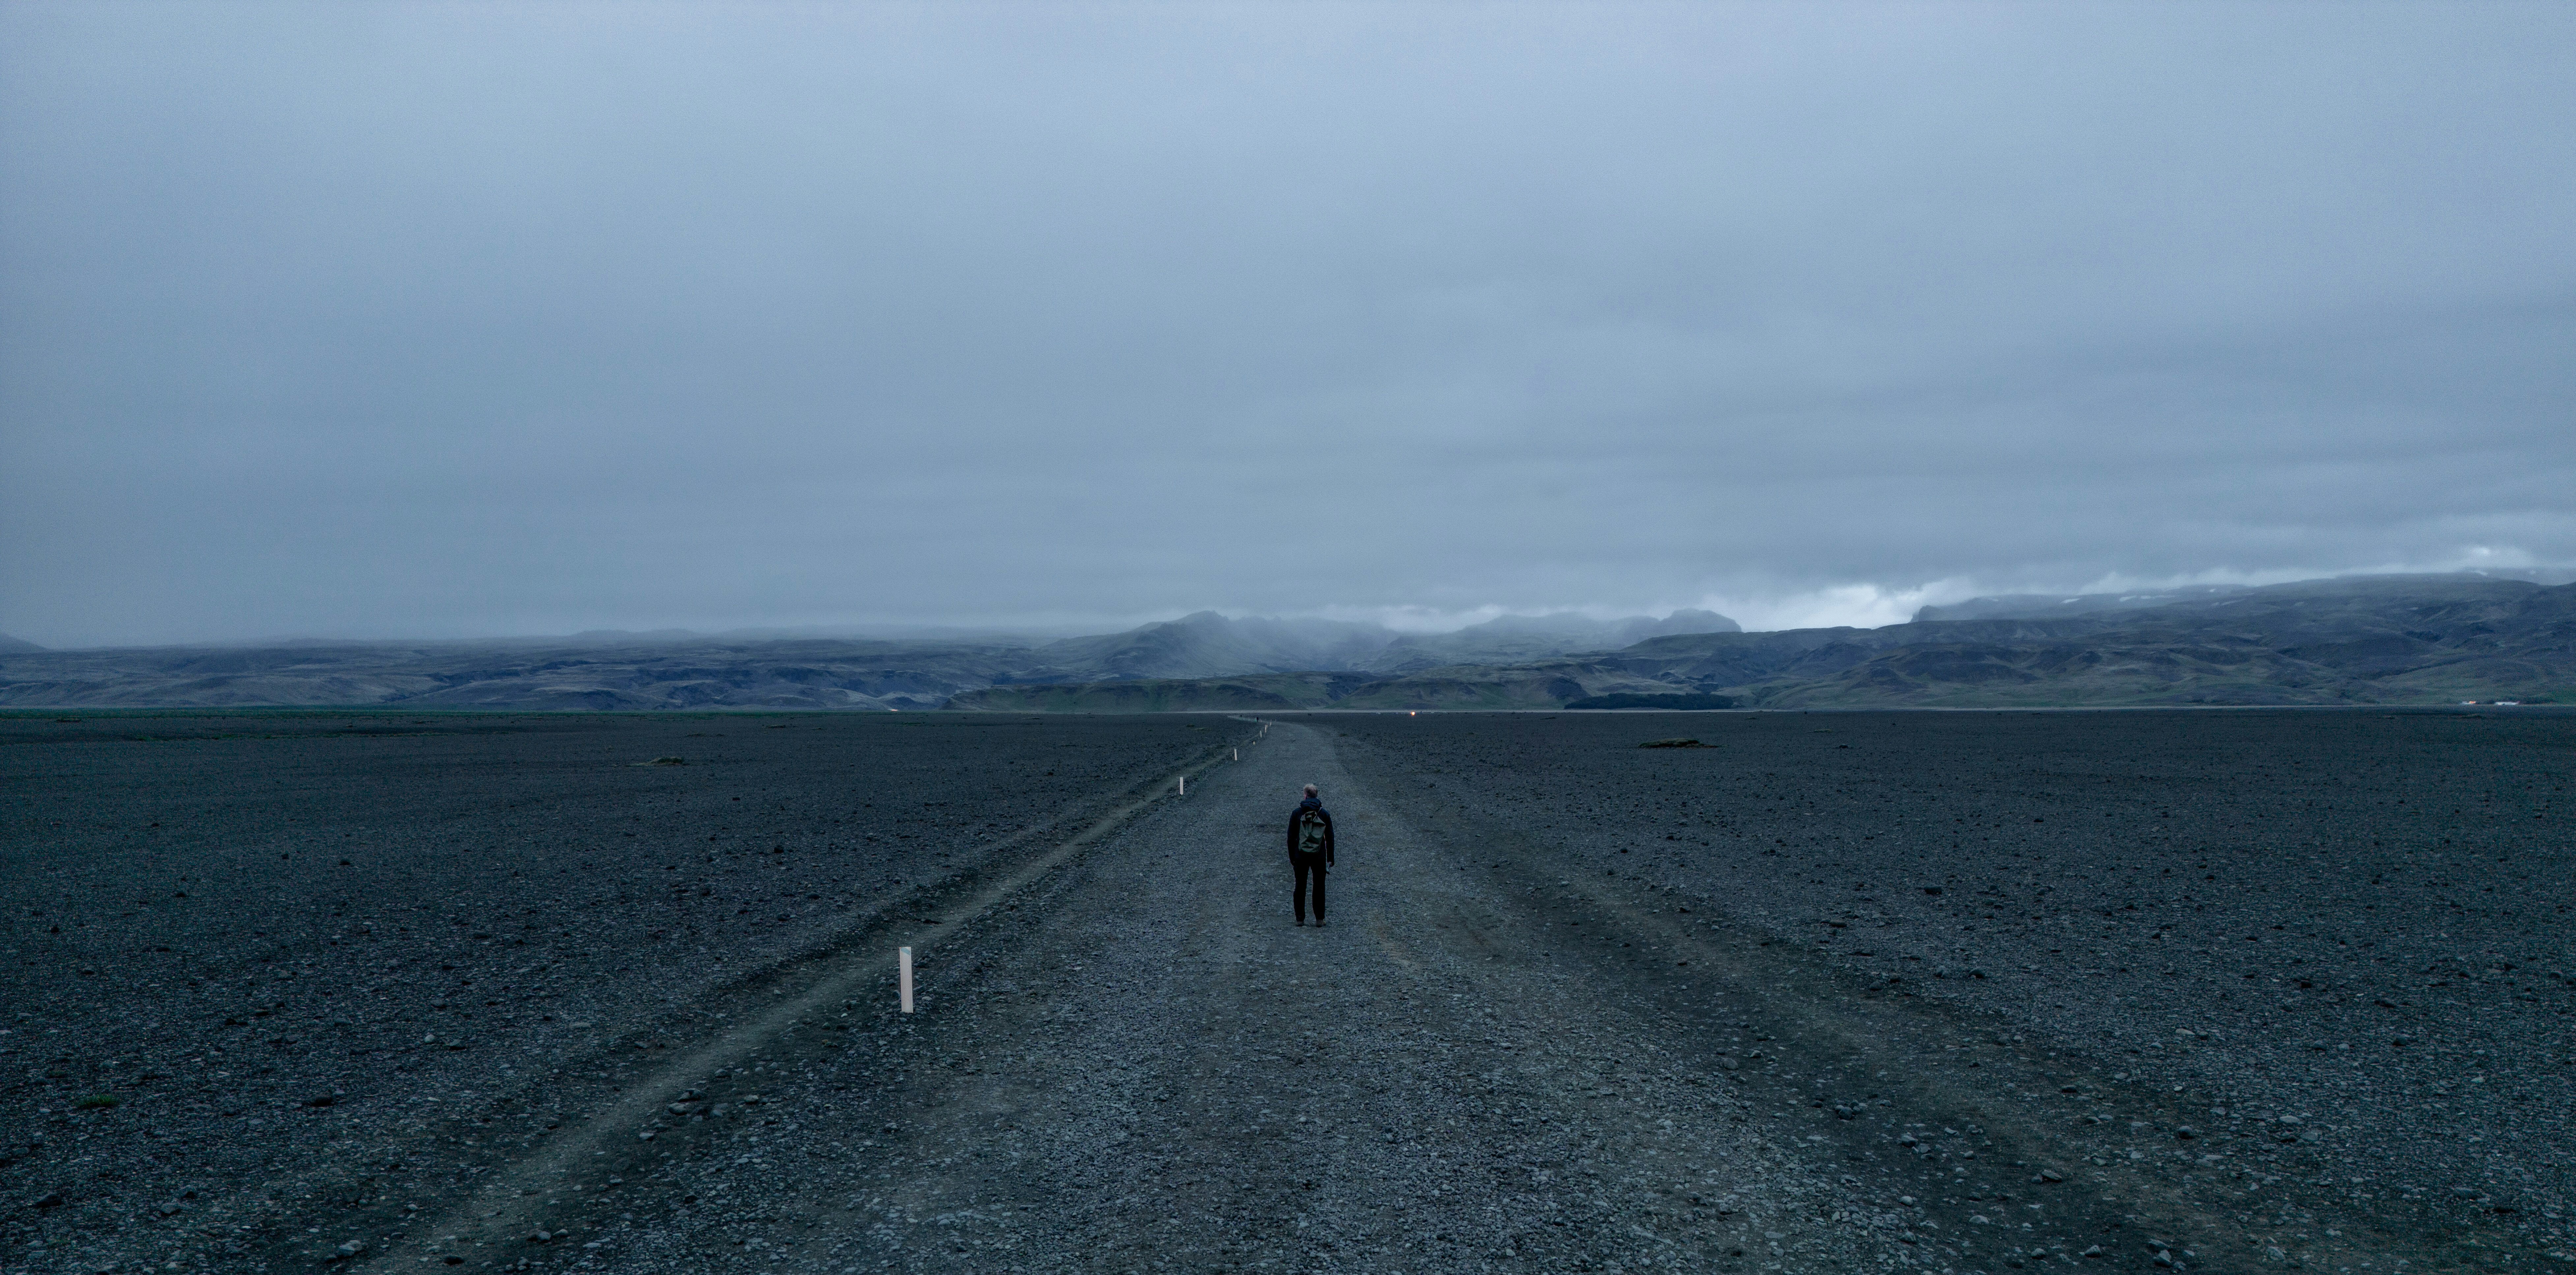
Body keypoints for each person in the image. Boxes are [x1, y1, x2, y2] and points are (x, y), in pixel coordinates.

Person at [1285, 783, 1335, 926]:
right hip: (1319, 856)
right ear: (1316, 796)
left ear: (1305, 795)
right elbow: (1330, 837)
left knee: (1300, 886)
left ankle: (1300, 919)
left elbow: (1290, 837)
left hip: (1300, 855)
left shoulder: (1297, 813)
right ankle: (1319, 919)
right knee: (1319, 886)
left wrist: (1292, 857)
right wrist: (1331, 859)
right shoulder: (1324, 814)